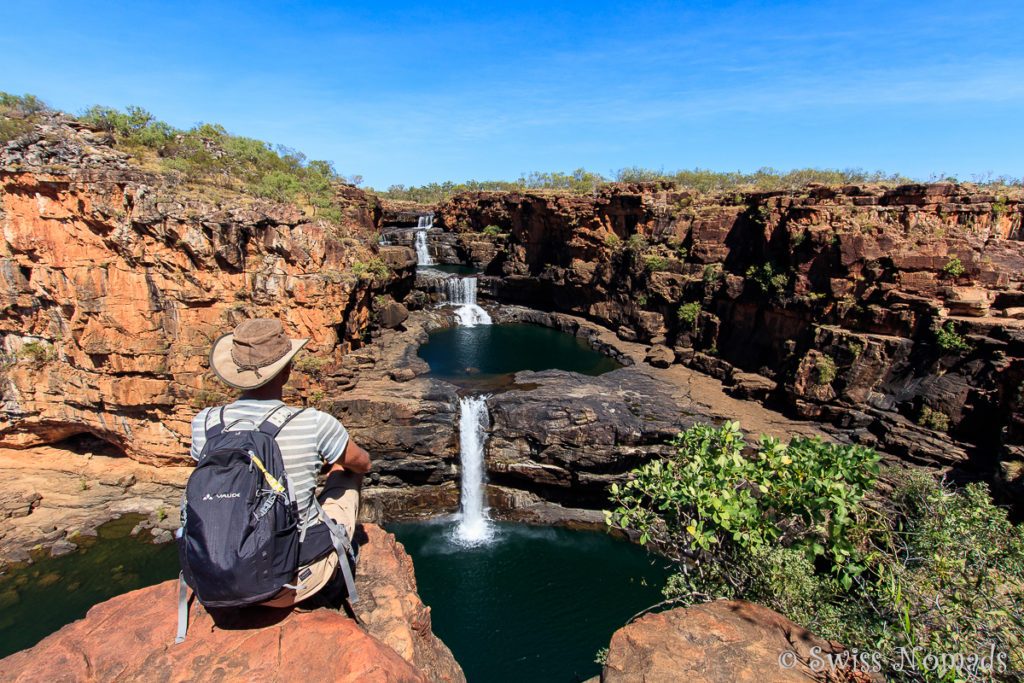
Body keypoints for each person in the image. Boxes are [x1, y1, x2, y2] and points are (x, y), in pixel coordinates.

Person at [190, 317, 371, 608]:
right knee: (347, 470)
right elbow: (363, 463)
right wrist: (331, 466)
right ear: (287, 370)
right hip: (293, 582)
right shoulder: (314, 422)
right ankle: (340, 567)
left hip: (215, 579)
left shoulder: (204, 424)